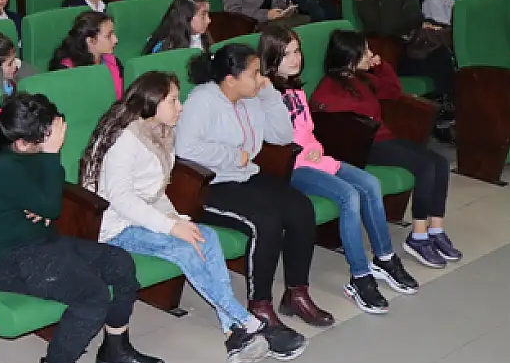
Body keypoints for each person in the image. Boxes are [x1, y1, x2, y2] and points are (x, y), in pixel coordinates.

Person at [0, 92, 165, 363]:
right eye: (47, 135)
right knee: (92, 296)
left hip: (39, 241)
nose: (55, 137)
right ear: (24, 142)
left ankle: (115, 348)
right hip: (6, 259)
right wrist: (51, 158)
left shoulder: (18, 154)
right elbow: (50, 204)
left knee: (119, 263)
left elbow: (43, 200)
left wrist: (39, 204)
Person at [79, 71, 292, 363]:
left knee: (206, 236)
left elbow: (154, 192)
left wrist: (176, 218)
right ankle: (246, 320)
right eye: (173, 101)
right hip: (114, 226)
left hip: (144, 217)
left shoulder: (159, 132)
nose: (180, 107)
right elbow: (121, 199)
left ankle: (234, 333)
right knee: (184, 248)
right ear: (152, 102)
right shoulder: (125, 139)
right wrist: (170, 226)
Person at [260, 28, 419, 312]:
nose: (295, 59)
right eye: (286, 54)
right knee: (349, 195)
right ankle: (360, 276)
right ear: (271, 58)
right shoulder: (265, 94)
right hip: (290, 166)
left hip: (314, 158)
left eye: (297, 51)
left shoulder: (295, 89)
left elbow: (307, 130)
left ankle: (384, 258)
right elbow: (274, 139)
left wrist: (314, 146)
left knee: (369, 184)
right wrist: (302, 149)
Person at [174, 44, 330, 329]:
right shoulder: (202, 100)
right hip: (208, 184)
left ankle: (296, 293)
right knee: (266, 222)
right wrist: (234, 156)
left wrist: (270, 96)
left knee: (301, 208)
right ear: (230, 79)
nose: (261, 78)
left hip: (245, 176)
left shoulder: (252, 98)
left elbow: (282, 137)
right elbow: (186, 149)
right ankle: (260, 306)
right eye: (254, 73)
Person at [311, 31, 461, 266]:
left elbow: (393, 91)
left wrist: (380, 67)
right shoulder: (331, 85)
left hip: (383, 139)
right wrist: (356, 117)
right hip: (364, 145)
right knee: (425, 167)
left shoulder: (363, 78)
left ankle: (435, 229)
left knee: (440, 163)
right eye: (365, 51)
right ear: (351, 56)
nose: (370, 54)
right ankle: (418, 237)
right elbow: (320, 107)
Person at [352, 0, 456, 101]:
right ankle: (444, 101)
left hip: (413, 45)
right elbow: (385, 29)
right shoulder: (366, 1)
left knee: (443, 53)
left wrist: (424, 24)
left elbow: (416, 17)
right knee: (440, 58)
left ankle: (447, 100)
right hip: (393, 54)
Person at [49, 11, 123, 99]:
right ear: (90, 41)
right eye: (109, 36)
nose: (115, 40)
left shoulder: (114, 62)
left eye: (113, 33)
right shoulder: (66, 72)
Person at [144, 0, 212, 54]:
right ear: (186, 17)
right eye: (203, 15)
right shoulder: (166, 46)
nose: (208, 20)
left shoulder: (204, 39)